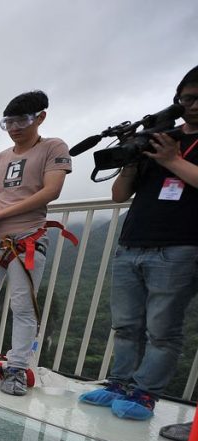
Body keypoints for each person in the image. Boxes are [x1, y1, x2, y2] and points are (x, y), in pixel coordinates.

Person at [80, 67, 198, 419]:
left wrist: (172, 161)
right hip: (132, 242)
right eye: (186, 98)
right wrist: (130, 160)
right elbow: (119, 195)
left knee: (162, 327)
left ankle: (146, 393)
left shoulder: (171, 149)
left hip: (180, 245)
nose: (192, 105)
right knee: (126, 323)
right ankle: (119, 383)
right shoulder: (162, 136)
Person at [0, 91, 72, 396]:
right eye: (9, 122)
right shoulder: (0, 158)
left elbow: (51, 191)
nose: (15, 127)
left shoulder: (53, 147)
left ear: (40, 117)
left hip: (27, 237)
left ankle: (18, 368)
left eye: (22, 120)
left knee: (23, 306)